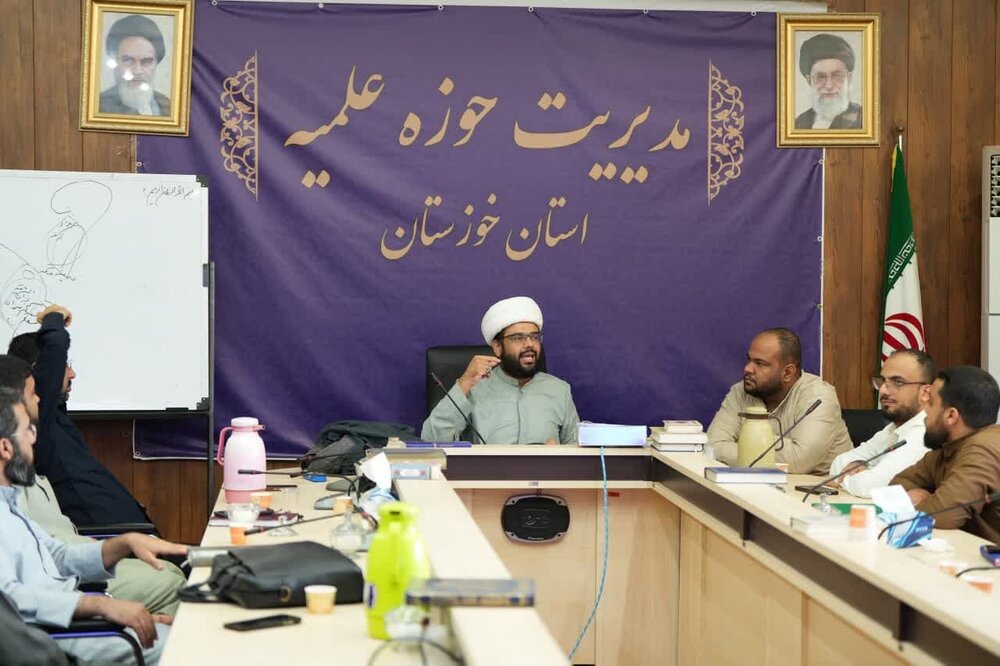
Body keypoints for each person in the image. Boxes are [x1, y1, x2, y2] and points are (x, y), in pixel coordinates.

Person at [0, 387, 187, 665]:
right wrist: (99, 606)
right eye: (28, 430)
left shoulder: (10, 503)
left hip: (76, 622)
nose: (34, 438)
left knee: (189, 632)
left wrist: (124, 543)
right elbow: (8, 598)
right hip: (54, 638)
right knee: (189, 648)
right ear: (5, 447)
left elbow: (56, 556)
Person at [8, 305, 152, 527]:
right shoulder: (35, 418)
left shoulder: (52, 416)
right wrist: (53, 316)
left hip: (129, 530)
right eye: (65, 367)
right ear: (40, 372)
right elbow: (55, 344)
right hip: (110, 537)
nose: (72, 373)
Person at [421, 296, 579, 444]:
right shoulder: (474, 390)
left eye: (534, 337)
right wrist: (464, 384)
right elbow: (431, 441)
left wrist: (561, 453)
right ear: (497, 347)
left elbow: (578, 451)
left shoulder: (560, 390)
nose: (530, 344)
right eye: (518, 338)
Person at [707, 327, 852, 474]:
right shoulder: (741, 391)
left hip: (819, 484)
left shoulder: (819, 397)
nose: (748, 369)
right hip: (757, 482)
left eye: (760, 363)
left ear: (788, 373)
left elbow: (799, 461)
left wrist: (742, 442)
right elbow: (713, 446)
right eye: (749, 360)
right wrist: (776, 452)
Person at [891, 366, 1000, 543]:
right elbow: (896, 485)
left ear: (951, 416)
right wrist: (926, 497)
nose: (925, 411)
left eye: (931, 403)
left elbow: (941, 515)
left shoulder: (983, 449)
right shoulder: (948, 448)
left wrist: (929, 501)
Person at [827, 350, 934, 498]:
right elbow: (838, 463)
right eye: (882, 381)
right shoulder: (895, 428)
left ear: (925, 393)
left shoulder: (924, 433)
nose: (883, 390)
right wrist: (862, 466)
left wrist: (844, 479)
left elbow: (870, 487)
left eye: (898, 382)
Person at [99, 14, 171, 116]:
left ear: (155, 63)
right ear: (116, 63)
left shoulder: (169, 107)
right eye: (128, 60)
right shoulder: (97, 107)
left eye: (146, 61)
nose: (137, 71)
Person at [794, 33, 862, 130]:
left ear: (849, 78)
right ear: (809, 81)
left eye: (837, 76)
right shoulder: (799, 123)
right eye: (820, 77)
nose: (829, 86)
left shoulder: (863, 119)